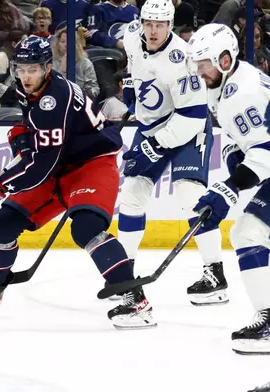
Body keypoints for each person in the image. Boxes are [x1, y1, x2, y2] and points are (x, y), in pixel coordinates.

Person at [0, 35, 156, 329]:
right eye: (21, 69)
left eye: (33, 69)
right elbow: (40, 136)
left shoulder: (53, 98)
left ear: (47, 67)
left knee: (87, 227)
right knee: (3, 224)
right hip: (61, 162)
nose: (26, 76)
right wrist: (24, 135)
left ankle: (135, 300)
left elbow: (40, 166)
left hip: (92, 164)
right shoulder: (32, 88)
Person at [117, 0, 227, 306]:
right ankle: (123, 274)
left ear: (170, 25)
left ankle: (215, 274)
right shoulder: (131, 35)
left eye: (160, 25)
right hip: (152, 124)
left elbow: (192, 116)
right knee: (131, 195)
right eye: (148, 24)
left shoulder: (183, 59)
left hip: (188, 128)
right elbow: (134, 65)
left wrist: (153, 147)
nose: (153, 31)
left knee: (189, 196)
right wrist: (131, 93)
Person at [187, 24, 270, 355]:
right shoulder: (227, 83)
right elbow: (244, 140)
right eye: (196, 63)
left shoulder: (244, 92)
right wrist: (235, 153)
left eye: (203, 63)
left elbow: (266, 150)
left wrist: (229, 189)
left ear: (224, 59)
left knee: (247, 232)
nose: (198, 70)